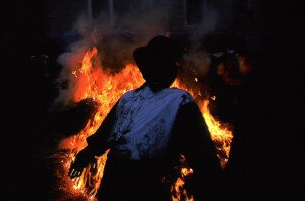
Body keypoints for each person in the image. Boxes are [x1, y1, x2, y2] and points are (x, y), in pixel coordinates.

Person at [68, 36, 224, 201]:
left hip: (114, 189)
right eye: (171, 65)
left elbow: (103, 138)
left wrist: (83, 157)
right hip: (147, 190)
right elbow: (203, 155)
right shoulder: (181, 101)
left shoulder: (128, 99)